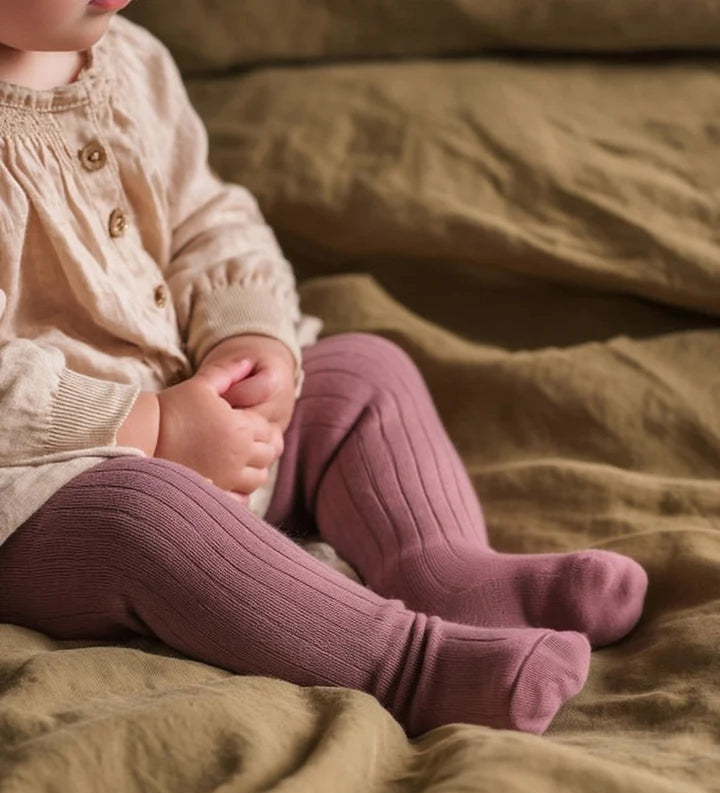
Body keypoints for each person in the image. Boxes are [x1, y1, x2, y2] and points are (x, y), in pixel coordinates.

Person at [0, 0, 647, 738]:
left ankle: (446, 572)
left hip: (201, 413)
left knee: (363, 373)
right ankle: (409, 666)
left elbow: (207, 222)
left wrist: (247, 337)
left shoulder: (132, 61)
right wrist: (150, 425)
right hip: (40, 493)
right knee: (144, 515)